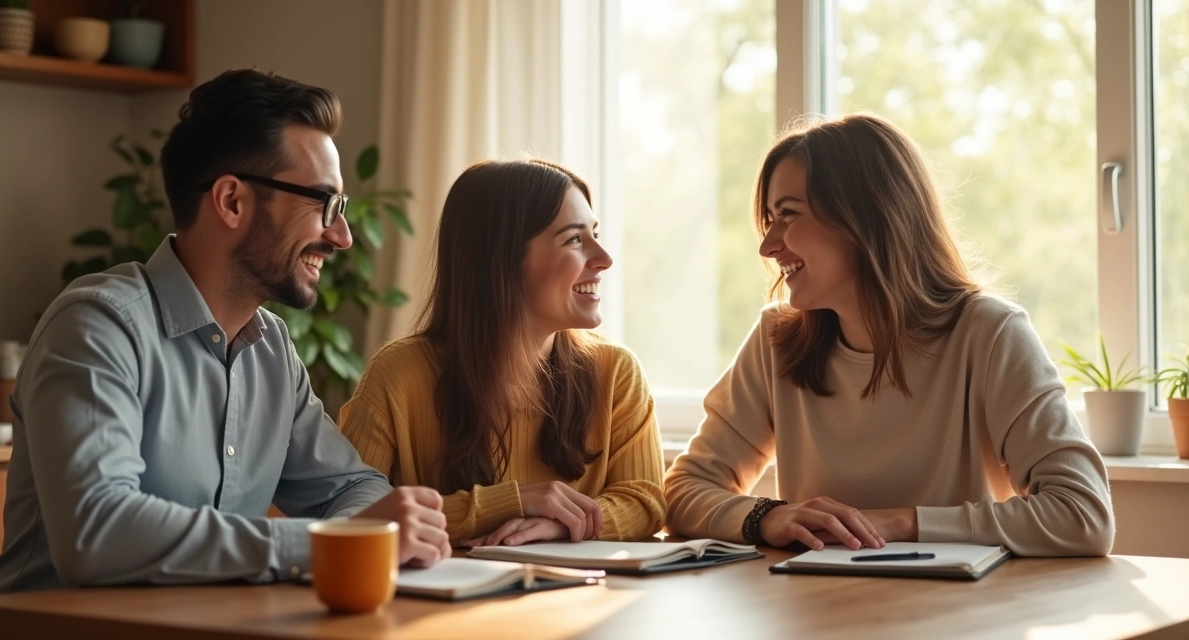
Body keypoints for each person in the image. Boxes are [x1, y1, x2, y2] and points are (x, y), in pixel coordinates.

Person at [0, 69, 451, 595]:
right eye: (323, 203)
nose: (341, 235)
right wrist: (323, 545)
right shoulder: (97, 326)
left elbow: (356, 487)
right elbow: (97, 531)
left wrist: (360, 531)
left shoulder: (272, 350)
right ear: (231, 201)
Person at [664, 114, 1115, 557]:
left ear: (864, 218)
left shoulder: (990, 333)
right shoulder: (775, 339)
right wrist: (768, 516)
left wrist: (901, 523)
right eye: (769, 219)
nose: (768, 245)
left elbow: (1084, 514)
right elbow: (683, 492)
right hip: (812, 614)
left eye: (788, 215)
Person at [339, 159, 666, 547]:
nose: (604, 258)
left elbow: (645, 502)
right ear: (502, 260)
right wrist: (512, 503)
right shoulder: (398, 375)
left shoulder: (616, 372)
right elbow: (354, 518)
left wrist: (561, 525)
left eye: (594, 233)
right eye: (575, 239)